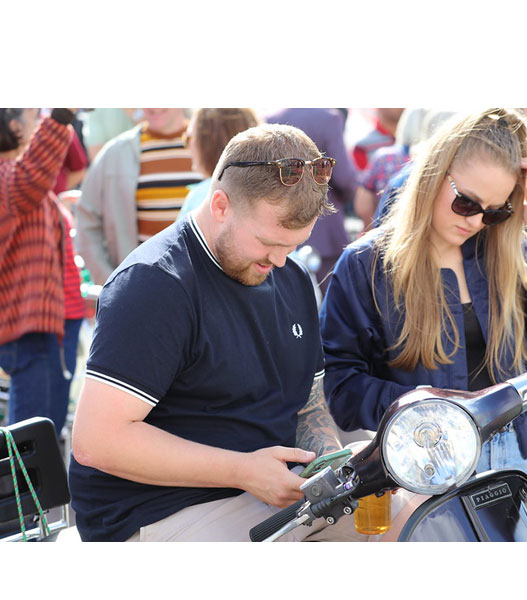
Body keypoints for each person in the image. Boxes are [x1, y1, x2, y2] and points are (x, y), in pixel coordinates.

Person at [68, 124, 382, 542]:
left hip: (263, 494)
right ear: (219, 205)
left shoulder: (289, 275)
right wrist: (241, 469)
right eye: (268, 242)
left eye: (293, 246)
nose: (280, 260)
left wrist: (332, 463)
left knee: (416, 516)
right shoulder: (155, 284)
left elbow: (307, 401)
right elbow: (97, 441)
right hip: (155, 512)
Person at [320, 108, 527, 473]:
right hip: (424, 461)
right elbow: (342, 387)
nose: (475, 221)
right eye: (466, 202)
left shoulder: (506, 253)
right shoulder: (366, 264)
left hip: (517, 459)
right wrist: (432, 405)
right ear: (433, 174)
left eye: (495, 212)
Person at [0, 108, 79, 437]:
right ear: (15, 126)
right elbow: (33, 173)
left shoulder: (14, 179)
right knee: (31, 441)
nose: (39, 121)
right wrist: (61, 116)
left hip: (47, 323)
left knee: (41, 431)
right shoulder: (8, 177)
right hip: (31, 328)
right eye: (35, 115)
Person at [75, 108, 204, 285]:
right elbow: (87, 218)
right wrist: (112, 282)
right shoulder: (115, 152)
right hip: (138, 287)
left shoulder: (210, 146)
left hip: (201, 289)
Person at [265, 108, 359, 290]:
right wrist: (348, 197)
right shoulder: (329, 118)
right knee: (328, 304)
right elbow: (343, 178)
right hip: (323, 227)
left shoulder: (272, 118)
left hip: (278, 227)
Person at [355, 109, 456, 229]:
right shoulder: (441, 163)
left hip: (383, 230)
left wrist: (372, 231)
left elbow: (363, 205)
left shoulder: (383, 156)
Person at [178, 108, 259, 218]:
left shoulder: (202, 197)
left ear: (207, 143)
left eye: (188, 138)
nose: (187, 146)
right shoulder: (266, 193)